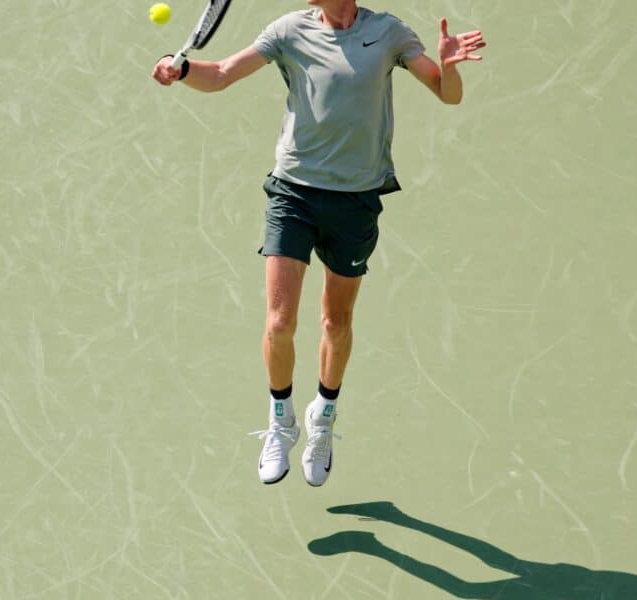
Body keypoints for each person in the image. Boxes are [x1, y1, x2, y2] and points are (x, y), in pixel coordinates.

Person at [151, 0, 485, 486]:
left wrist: (450, 67)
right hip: (294, 192)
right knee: (280, 320)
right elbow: (221, 73)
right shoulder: (289, 30)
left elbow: (446, 94)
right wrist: (180, 70)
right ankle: (280, 421)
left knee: (336, 320)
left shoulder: (388, 33)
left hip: (356, 197)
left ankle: (322, 418)